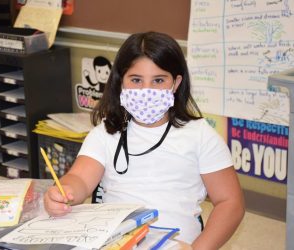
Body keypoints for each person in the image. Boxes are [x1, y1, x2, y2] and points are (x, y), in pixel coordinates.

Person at [44, 31, 245, 249]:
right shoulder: (105, 133)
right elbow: (80, 179)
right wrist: (63, 191)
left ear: (176, 83)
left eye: (158, 80)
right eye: (136, 80)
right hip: (116, 241)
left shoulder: (200, 135)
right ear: (121, 82)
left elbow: (230, 203)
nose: (146, 90)